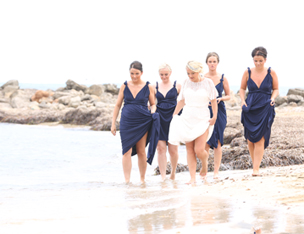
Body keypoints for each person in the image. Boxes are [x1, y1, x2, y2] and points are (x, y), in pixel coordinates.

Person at [168, 61, 218, 184]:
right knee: (189, 150)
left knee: (199, 150)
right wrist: (174, 114)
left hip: (202, 119)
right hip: (187, 118)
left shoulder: (208, 83)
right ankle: (192, 178)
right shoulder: (186, 82)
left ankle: (205, 163)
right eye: (188, 73)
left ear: (199, 71)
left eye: (193, 73)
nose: (190, 76)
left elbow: (214, 100)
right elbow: (182, 101)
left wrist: (215, 116)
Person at [111, 61, 160, 183]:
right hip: (127, 121)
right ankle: (127, 181)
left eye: (137, 73)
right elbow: (117, 105)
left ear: (141, 73)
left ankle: (142, 180)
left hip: (143, 121)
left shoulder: (148, 86)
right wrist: (113, 123)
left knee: (141, 151)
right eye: (132, 73)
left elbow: (153, 104)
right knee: (126, 150)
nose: (134, 76)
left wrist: (153, 113)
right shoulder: (124, 86)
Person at [240, 47, 279, 176]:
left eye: (260, 60)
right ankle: (255, 165)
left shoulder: (271, 72)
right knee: (250, 140)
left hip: (265, 106)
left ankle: (256, 169)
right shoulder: (247, 72)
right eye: (255, 60)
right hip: (250, 106)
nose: (257, 63)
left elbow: (276, 89)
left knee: (260, 138)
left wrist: (272, 98)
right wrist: (242, 101)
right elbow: (242, 88)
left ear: (265, 59)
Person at [152, 63, 181, 181]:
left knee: (173, 150)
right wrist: (152, 114)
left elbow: (183, 101)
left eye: (166, 74)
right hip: (160, 118)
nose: (164, 77)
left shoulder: (177, 85)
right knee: (160, 148)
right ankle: (163, 176)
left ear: (170, 73)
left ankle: (173, 173)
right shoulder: (154, 86)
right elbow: (153, 103)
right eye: (161, 75)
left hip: (173, 118)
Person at [204, 52, 231, 179]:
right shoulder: (202, 78)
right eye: (210, 61)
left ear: (217, 63)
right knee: (205, 142)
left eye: (214, 61)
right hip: (205, 111)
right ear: (207, 63)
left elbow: (229, 95)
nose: (212, 64)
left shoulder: (222, 78)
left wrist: (220, 99)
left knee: (218, 142)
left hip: (220, 111)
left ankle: (216, 171)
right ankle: (204, 169)